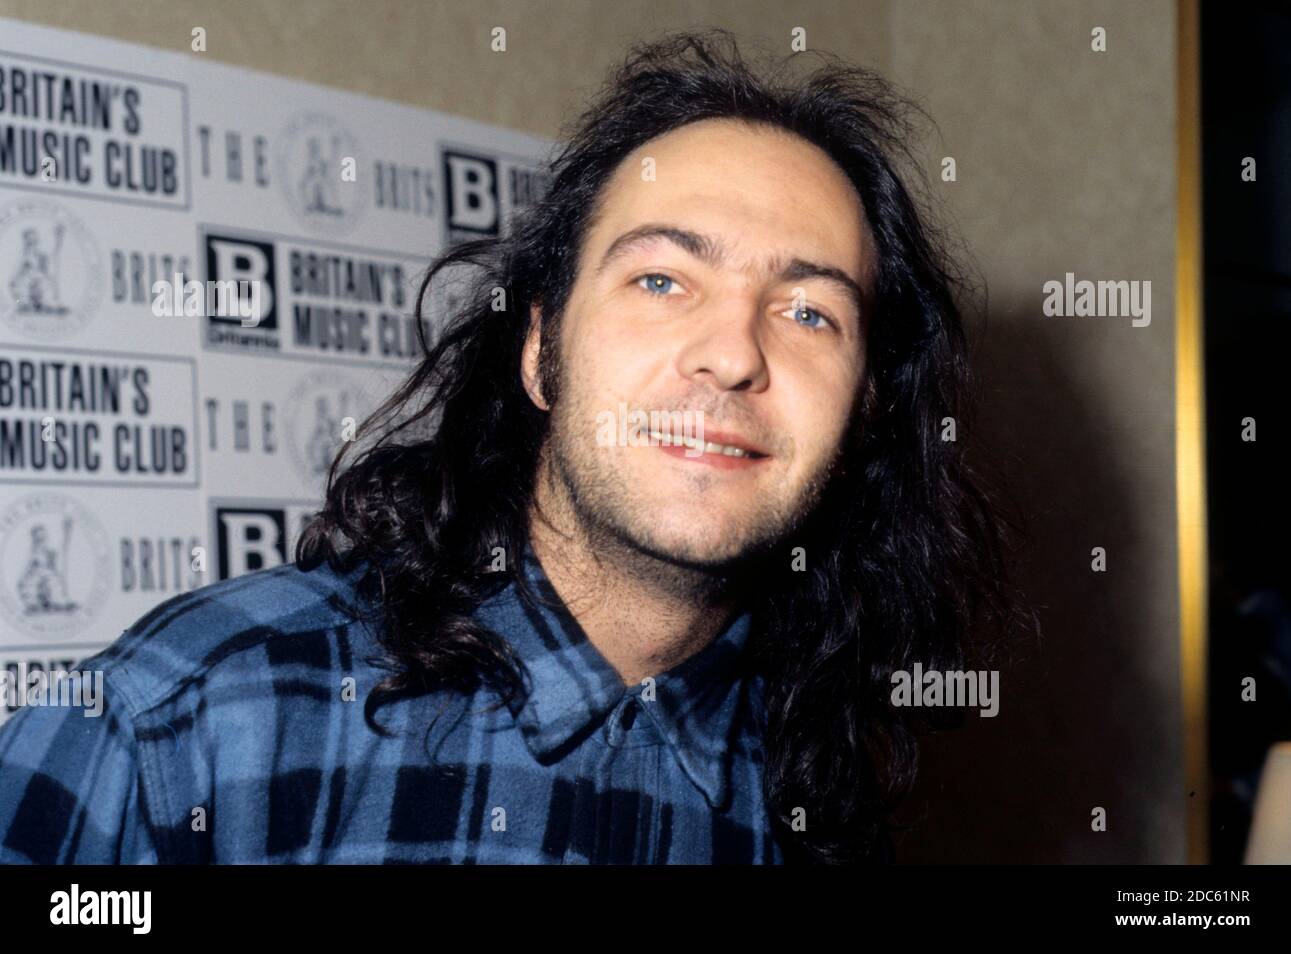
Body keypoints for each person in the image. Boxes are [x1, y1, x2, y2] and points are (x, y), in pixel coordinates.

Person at [0, 28, 1028, 865]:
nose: (730, 355)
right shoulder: (181, 722)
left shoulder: (819, 781)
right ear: (539, 351)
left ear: (861, 420)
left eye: (809, 313)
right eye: (662, 280)